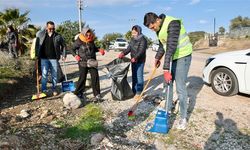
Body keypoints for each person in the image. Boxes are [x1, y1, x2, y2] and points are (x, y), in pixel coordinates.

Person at [144, 12, 192, 130]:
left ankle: (183, 117)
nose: (152, 30)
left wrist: (165, 69)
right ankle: (168, 109)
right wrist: (157, 57)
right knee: (168, 83)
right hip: (173, 57)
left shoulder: (173, 23)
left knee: (180, 86)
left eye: (153, 27)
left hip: (183, 55)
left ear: (157, 20)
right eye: (150, 29)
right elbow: (162, 45)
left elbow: (170, 46)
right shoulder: (159, 29)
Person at [71, 27, 105, 101]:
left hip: (92, 61)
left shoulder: (91, 40)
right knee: (82, 78)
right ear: (83, 34)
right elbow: (72, 49)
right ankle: (78, 93)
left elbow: (93, 48)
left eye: (90, 35)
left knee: (95, 77)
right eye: (87, 35)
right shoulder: (79, 40)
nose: (89, 36)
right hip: (83, 62)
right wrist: (75, 55)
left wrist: (99, 49)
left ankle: (97, 94)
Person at [35, 21, 66, 96]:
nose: (52, 30)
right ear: (46, 27)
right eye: (50, 28)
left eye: (53, 28)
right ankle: (44, 89)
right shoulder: (41, 34)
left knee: (54, 75)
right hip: (43, 58)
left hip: (54, 58)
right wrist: (36, 55)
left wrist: (64, 55)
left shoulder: (58, 36)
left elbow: (64, 45)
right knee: (44, 74)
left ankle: (54, 88)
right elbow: (36, 45)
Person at [118, 25, 148, 99]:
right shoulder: (132, 39)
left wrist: (135, 57)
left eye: (135, 32)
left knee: (139, 76)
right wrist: (123, 53)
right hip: (133, 60)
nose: (133, 34)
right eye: (132, 33)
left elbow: (141, 51)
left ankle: (139, 92)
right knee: (134, 75)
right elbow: (129, 48)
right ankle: (134, 90)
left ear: (139, 31)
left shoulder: (143, 40)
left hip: (140, 60)